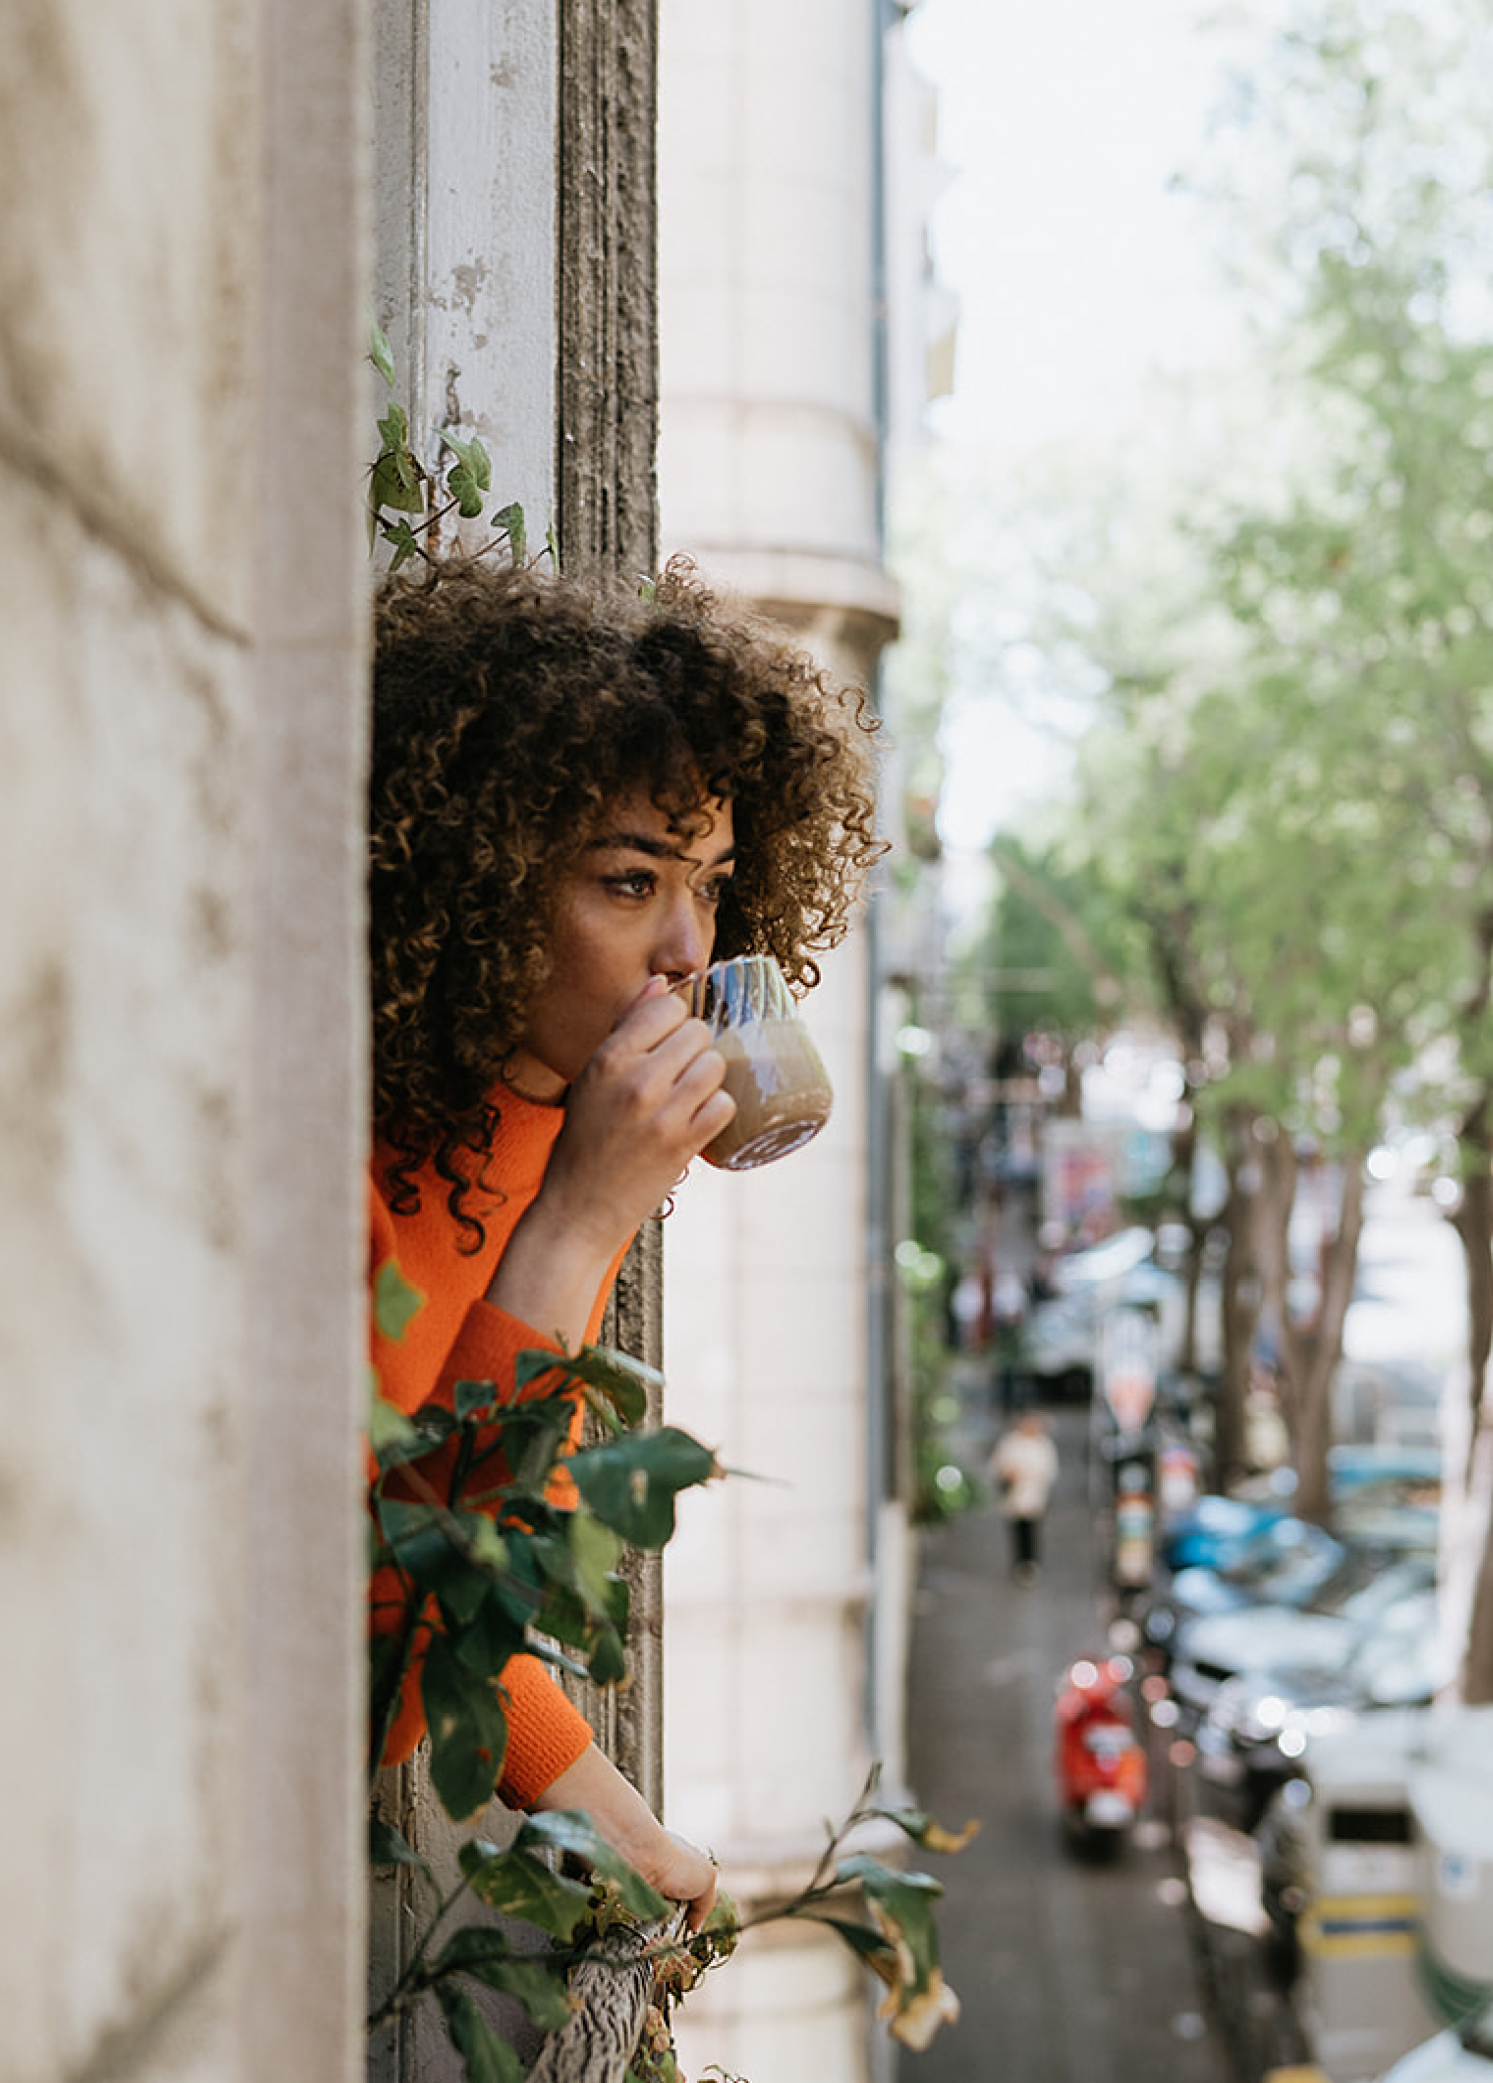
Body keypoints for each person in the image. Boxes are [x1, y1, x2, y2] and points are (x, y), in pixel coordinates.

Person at [367, 553, 880, 1928]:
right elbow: (379, 1619)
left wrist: (635, 1829)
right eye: (623, 878)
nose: (683, 946)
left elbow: (466, 1559)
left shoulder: (552, 1126)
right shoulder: (345, 1153)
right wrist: (581, 1219)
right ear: (469, 873)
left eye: (707, 883)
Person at [987, 1409, 1059, 1582]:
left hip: (1034, 1496)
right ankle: (1019, 1563)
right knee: (1017, 1531)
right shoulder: (1010, 1443)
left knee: (1032, 1530)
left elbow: (1049, 1470)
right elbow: (997, 1466)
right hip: (1014, 1496)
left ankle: (1031, 1562)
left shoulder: (1043, 1445)